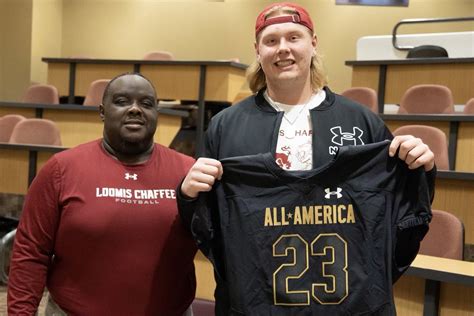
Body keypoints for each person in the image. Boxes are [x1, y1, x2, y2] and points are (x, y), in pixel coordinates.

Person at [178, 2, 435, 315]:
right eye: (271, 41)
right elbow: (208, 224)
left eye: (293, 38)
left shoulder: (361, 121)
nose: (283, 49)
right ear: (258, 51)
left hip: (344, 303)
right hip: (257, 303)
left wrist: (421, 167)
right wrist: (188, 193)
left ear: (313, 44)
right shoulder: (226, 126)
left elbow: (399, 216)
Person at [8, 73, 197, 315]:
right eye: (121, 101)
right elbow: (30, 251)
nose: (135, 110)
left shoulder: (188, 172)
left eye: (146, 104)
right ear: (102, 111)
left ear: (156, 113)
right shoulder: (61, 169)